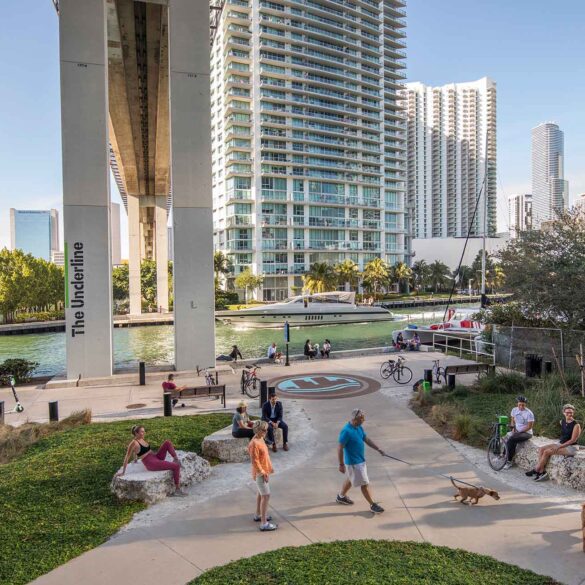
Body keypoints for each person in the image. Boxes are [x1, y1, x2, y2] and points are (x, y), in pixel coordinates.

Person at [336, 408, 385, 514]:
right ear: (355, 419)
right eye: (361, 419)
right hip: (354, 463)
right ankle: (372, 505)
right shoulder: (346, 431)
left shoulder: (359, 427)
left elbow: (366, 439)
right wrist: (341, 464)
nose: (363, 421)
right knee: (364, 484)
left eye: (363, 419)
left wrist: (378, 448)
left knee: (351, 478)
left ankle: (341, 496)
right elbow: (340, 448)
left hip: (360, 460)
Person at [116, 425, 186, 496]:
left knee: (167, 442)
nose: (144, 433)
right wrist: (123, 472)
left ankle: (175, 459)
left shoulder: (141, 439)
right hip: (151, 463)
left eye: (144, 431)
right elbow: (127, 457)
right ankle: (177, 490)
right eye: (142, 432)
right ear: (136, 433)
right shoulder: (133, 443)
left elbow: (137, 451)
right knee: (176, 466)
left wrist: (135, 459)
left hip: (155, 457)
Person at [526, 404, 582, 481]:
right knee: (541, 449)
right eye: (567, 412)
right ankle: (541, 471)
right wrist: (559, 445)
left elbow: (573, 440)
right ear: (563, 412)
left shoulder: (576, 425)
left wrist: (559, 446)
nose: (569, 414)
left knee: (547, 452)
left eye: (571, 412)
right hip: (561, 444)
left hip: (571, 447)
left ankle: (536, 469)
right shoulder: (562, 421)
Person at [248, 420, 277, 531]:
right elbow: (254, 461)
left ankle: (258, 515)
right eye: (264, 430)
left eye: (267, 430)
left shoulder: (260, 438)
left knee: (261, 494)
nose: (266, 431)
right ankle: (264, 523)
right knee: (266, 495)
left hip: (264, 471)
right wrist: (263, 473)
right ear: (258, 430)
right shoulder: (254, 443)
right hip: (260, 473)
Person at [503, 395, 535, 469]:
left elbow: (529, 426)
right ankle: (503, 455)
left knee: (512, 439)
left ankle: (509, 461)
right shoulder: (514, 410)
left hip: (527, 433)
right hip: (517, 431)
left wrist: (519, 431)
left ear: (525, 405)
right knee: (508, 437)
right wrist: (513, 428)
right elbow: (512, 420)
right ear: (517, 404)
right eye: (519, 404)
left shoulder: (529, 413)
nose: (521, 406)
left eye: (523, 405)